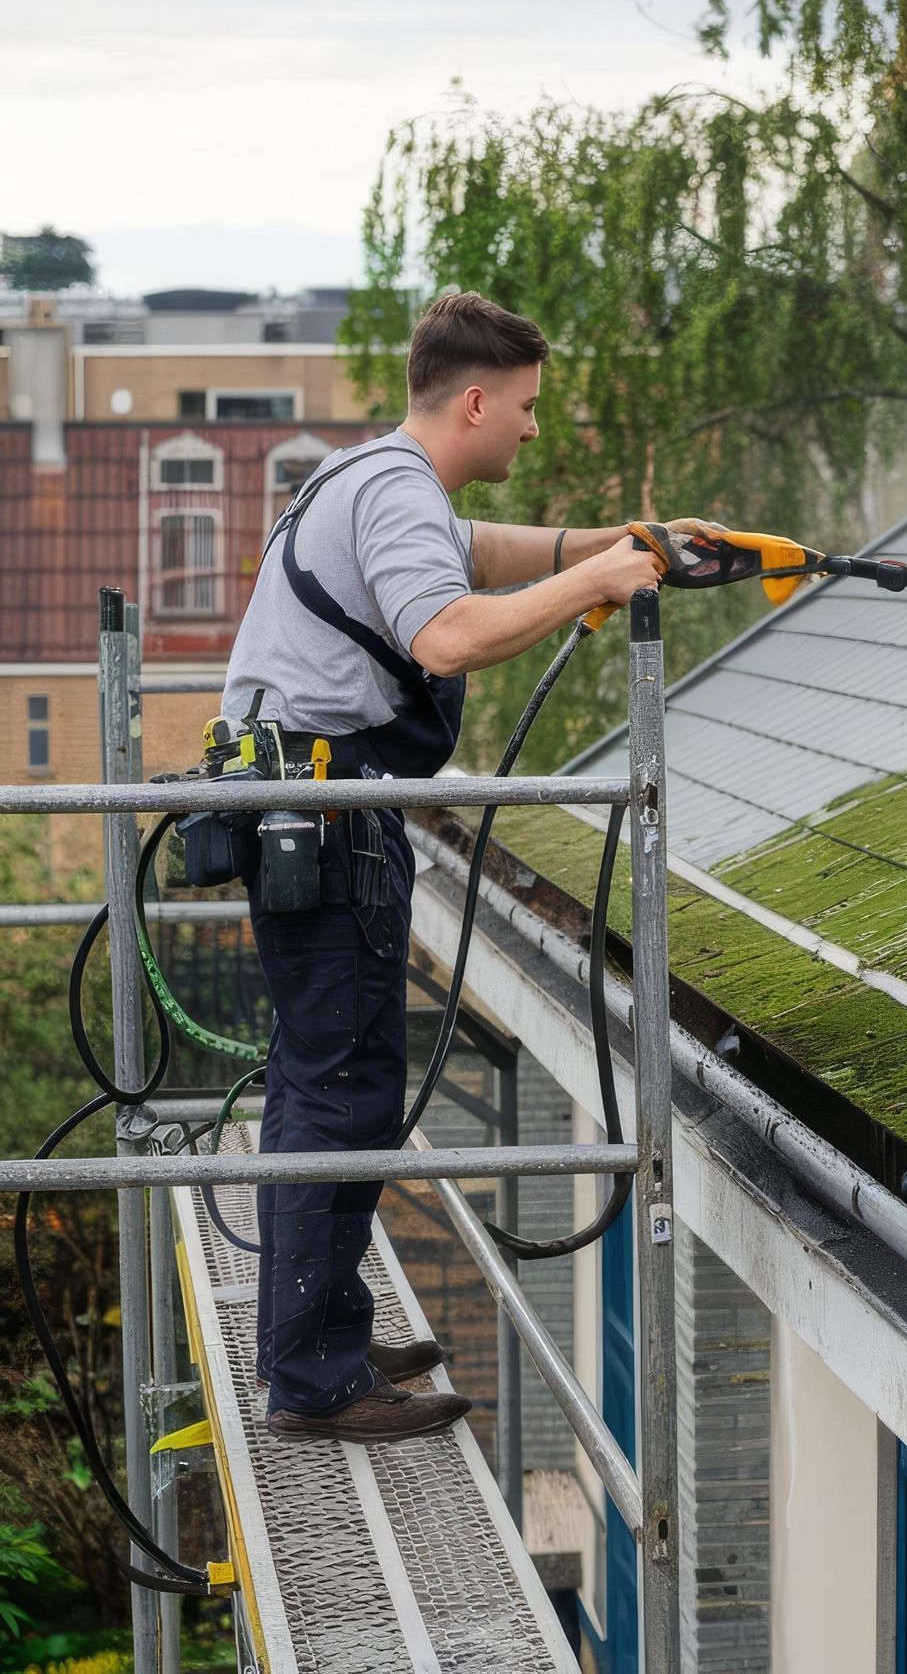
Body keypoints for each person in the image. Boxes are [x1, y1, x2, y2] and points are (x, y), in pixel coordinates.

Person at [221, 289, 670, 1444]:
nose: (531, 429)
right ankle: (316, 1381)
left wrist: (608, 545)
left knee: (327, 1081)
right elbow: (450, 632)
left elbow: (478, 554)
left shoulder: (370, 478)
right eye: (523, 409)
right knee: (341, 1092)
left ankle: (313, 1335)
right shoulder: (391, 490)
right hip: (323, 813)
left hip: (307, 804)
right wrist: (597, 587)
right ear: (475, 400)